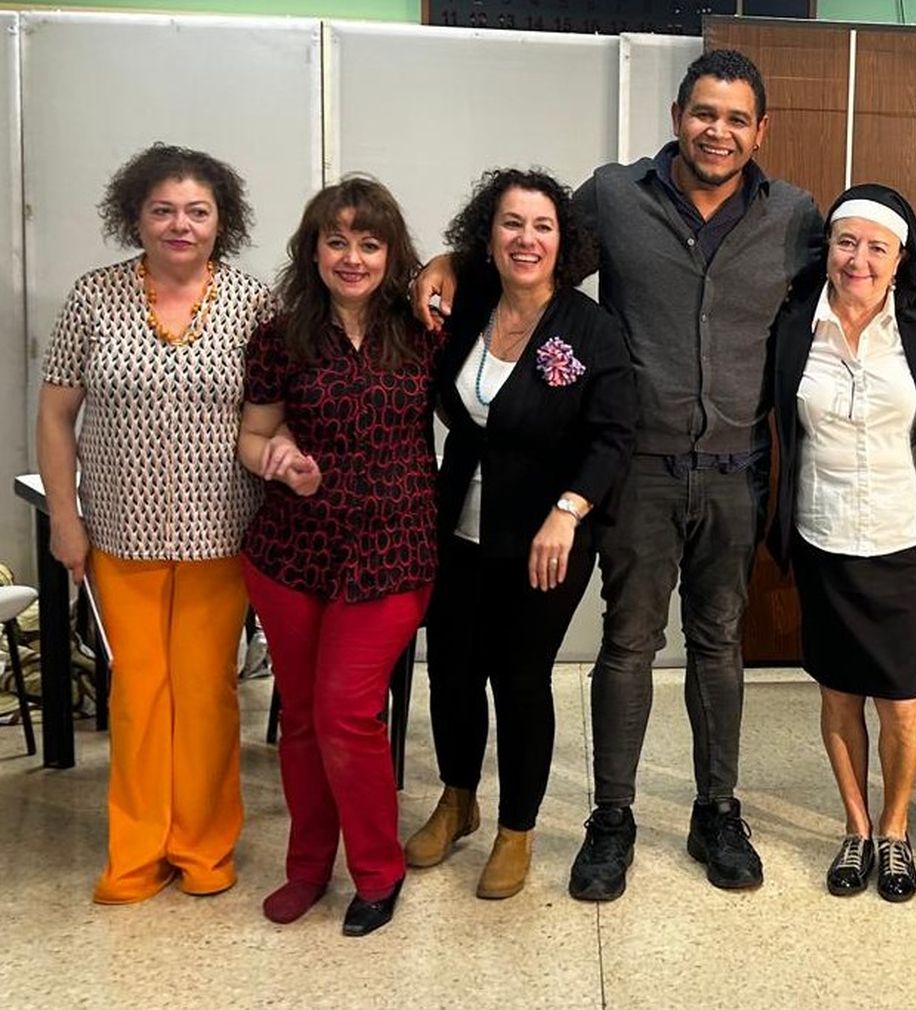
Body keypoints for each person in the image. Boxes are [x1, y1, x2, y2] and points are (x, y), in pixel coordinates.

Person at [413, 50, 825, 900]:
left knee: (719, 644)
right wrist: (449, 262)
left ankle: (717, 811)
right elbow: (531, 251)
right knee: (628, 643)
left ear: (761, 130)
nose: (718, 131)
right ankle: (612, 818)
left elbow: (864, 275)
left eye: (736, 118)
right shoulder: (615, 196)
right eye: (704, 112)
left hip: (735, 472)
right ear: (677, 115)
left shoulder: (792, 217)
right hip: (639, 472)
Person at [36, 143, 273, 904]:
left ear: (221, 221)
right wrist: (65, 518)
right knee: (138, 694)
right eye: (163, 210)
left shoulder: (253, 303)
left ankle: (203, 847)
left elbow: (271, 417)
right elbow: (55, 414)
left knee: (206, 694)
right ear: (134, 217)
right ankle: (136, 853)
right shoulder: (94, 297)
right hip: (119, 532)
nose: (180, 225)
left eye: (197, 211)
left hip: (220, 533)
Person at [402, 168, 635, 901]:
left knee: (521, 677)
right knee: (451, 669)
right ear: (488, 235)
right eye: (511, 223)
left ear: (563, 241)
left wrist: (568, 510)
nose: (525, 240)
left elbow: (614, 436)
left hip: (546, 535)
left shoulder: (591, 329)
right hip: (457, 525)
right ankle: (458, 799)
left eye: (542, 226)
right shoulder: (467, 305)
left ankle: (516, 828)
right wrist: (432, 265)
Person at [236, 177, 435, 937]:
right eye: (337, 241)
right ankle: (307, 868)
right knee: (301, 720)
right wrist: (277, 458)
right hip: (292, 551)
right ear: (313, 250)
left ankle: (378, 872)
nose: (353, 258)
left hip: (392, 549)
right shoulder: (280, 335)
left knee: (346, 712)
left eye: (369, 243)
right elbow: (255, 434)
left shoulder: (423, 328)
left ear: (392, 253)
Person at [767, 184, 916, 902]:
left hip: (902, 538)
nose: (859, 259)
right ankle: (855, 828)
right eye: (846, 242)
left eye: (877, 247)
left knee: (903, 704)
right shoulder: (795, 323)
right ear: (828, 249)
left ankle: (896, 829)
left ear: (901, 257)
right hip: (822, 537)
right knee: (838, 695)